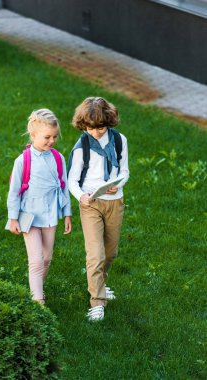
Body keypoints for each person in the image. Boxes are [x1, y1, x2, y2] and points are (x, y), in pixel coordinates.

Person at [68, 97, 129, 321]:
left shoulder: (120, 141)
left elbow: (125, 171)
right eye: (91, 129)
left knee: (110, 252)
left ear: (110, 123)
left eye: (101, 128)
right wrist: (81, 196)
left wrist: (118, 184)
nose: (96, 133)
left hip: (115, 201)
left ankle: (100, 284)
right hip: (91, 204)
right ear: (83, 125)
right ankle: (97, 302)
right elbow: (72, 181)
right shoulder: (81, 147)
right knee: (95, 254)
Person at [7, 109, 72, 305]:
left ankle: (37, 288)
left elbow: (64, 186)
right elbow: (14, 191)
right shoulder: (23, 161)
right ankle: (38, 301)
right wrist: (13, 218)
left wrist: (67, 213)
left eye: (54, 137)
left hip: (51, 215)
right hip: (29, 215)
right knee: (35, 260)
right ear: (33, 135)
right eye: (47, 137)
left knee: (46, 259)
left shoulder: (58, 158)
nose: (51, 141)